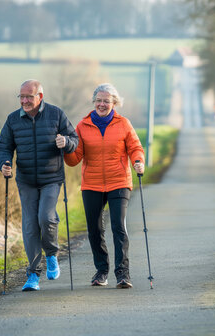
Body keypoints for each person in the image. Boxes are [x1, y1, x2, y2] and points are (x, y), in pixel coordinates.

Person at [0, 79, 78, 291]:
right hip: (26, 180)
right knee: (30, 226)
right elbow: (3, 146)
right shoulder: (13, 119)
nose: (24, 100)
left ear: (40, 96)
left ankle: (51, 255)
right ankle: (33, 274)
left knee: (46, 217)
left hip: (51, 177)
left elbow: (73, 138)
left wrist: (66, 143)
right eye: (21, 97)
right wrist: (4, 163)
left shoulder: (56, 114)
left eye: (29, 97)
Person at [65, 83, 145, 289]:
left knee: (118, 226)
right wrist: (65, 148)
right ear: (94, 102)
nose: (102, 104)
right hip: (91, 183)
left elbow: (135, 147)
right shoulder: (82, 126)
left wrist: (138, 161)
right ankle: (102, 271)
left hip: (119, 181)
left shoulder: (124, 124)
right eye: (99, 100)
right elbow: (75, 159)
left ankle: (123, 273)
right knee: (94, 229)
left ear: (114, 103)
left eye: (106, 101)